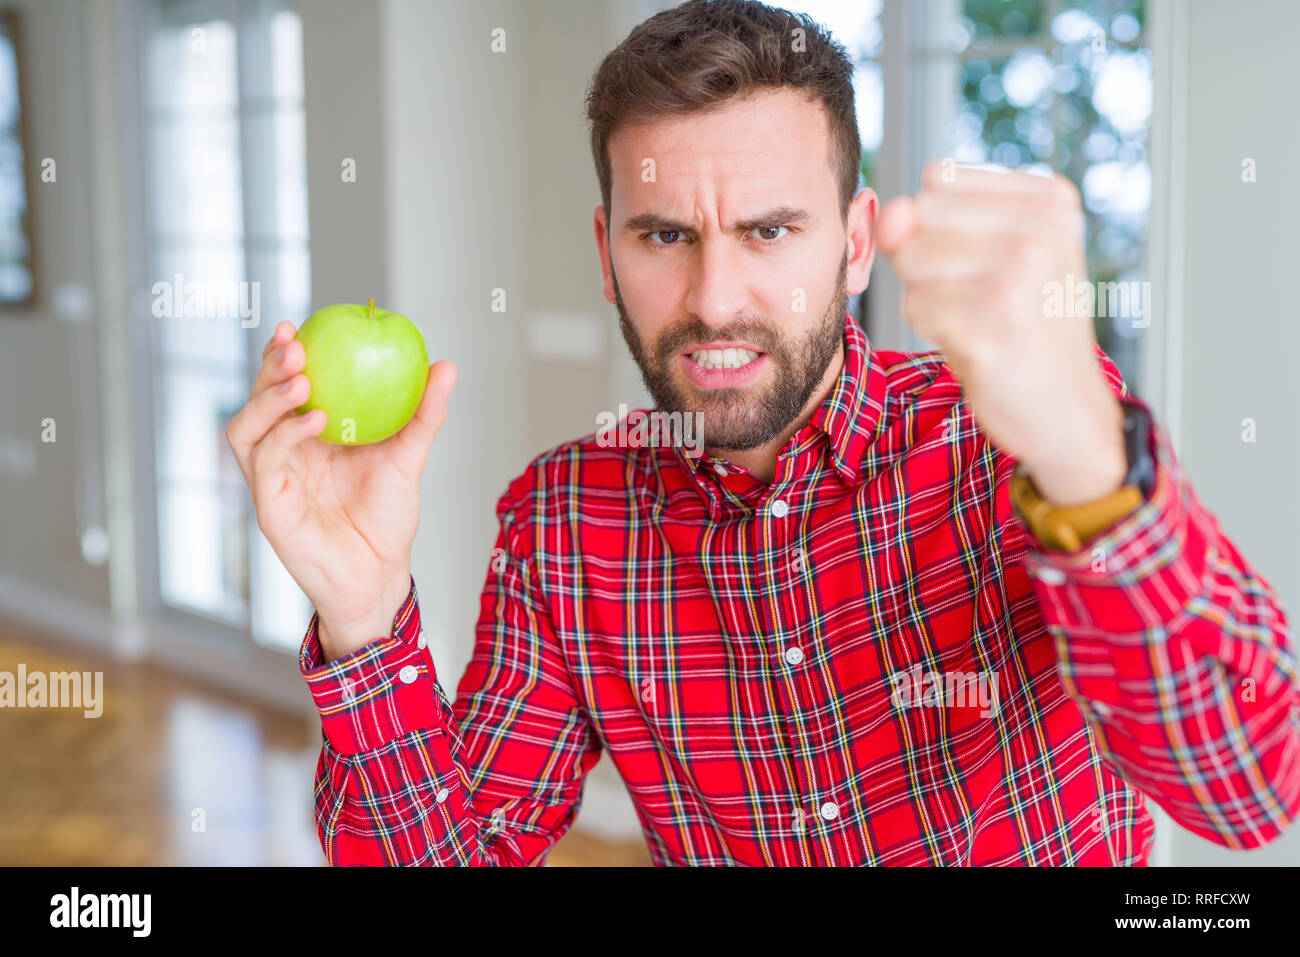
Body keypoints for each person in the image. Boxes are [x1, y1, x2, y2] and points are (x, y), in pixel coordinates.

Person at [225, 0, 1299, 865]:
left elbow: (1252, 793)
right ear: (607, 254)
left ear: (857, 240)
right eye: (666, 235)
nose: (716, 295)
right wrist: (363, 621)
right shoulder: (561, 525)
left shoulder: (1013, 443)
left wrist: (1081, 456)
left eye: (770, 228)